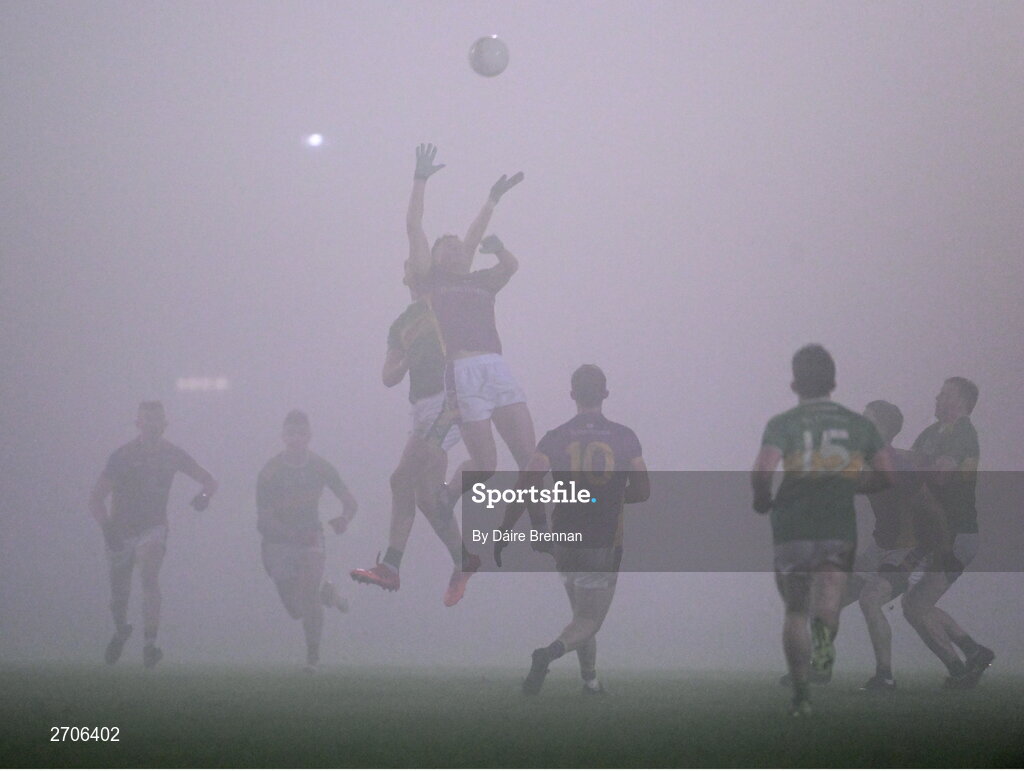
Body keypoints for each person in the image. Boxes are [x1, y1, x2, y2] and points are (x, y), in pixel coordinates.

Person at [350, 144, 486, 606]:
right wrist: (403, 362)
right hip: (421, 405)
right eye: (410, 262)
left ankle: (391, 565)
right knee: (426, 496)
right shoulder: (402, 323)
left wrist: (420, 179)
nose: (413, 260)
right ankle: (464, 556)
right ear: (403, 275)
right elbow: (388, 376)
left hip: (450, 400)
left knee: (401, 479)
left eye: (419, 257)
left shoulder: (438, 292)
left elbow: (416, 227)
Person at [751, 345, 893, 716]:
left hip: (792, 527)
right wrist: (848, 484)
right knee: (829, 602)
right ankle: (823, 648)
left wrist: (761, 499)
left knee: (796, 609)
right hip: (837, 526)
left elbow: (763, 470)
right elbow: (886, 475)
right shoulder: (858, 425)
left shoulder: (783, 423)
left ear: (795, 382)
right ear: (833, 381)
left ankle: (801, 695)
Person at [402, 145, 535, 527]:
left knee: (527, 456)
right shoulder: (431, 281)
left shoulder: (479, 280)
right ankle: (446, 495)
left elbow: (475, 240)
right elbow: (414, 228)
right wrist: (420, 180)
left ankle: (543, 523)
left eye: (461, 249)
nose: (458, 250)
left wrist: (493, 200)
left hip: (495, 364)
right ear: (436, 258)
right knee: (487, 465)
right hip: (460, 370)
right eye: (448, 248)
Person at [497, 365, 649, 696]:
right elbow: (642, 491)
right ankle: (547, 654)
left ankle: (589, 681)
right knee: (589, 621)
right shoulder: (625, 437)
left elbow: (526, 483)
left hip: (564, 538)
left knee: (580, 615)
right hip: (602, 541)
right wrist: (609, 496)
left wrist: (506, 530)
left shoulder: (555, 437)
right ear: (605, 394)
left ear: (572, 395)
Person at [89, 401, 218, 668]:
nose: (152, 425)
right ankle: (121, 630)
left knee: (149, 575)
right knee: (119, 596)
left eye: (157, 420)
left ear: (165, 424)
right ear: (138, 424)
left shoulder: (173, 454)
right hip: (120, 530)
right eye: (147, 420)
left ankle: (150, 644)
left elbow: (209, 480)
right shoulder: (122, 456)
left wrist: (204, 497)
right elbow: (96, 498)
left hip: (153, 527)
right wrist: (107, 529)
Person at [901, 377, 994, 688]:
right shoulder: (929, 433)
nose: (937, 397)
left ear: (961, 402)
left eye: (945, 394)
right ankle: (971, 655)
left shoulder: (964, 435)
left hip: (956, 534)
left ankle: (963, 665)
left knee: (916, 605)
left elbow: (938, 477)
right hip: (938, 534)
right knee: (914, 605)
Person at [258, 410, 357, 672]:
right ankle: (329, 591)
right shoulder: (270, 471)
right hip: (278, 543)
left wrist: (345, 518)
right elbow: (263, 520)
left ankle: (313, 659)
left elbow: (350, 501)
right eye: (291, 433)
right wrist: (287, 534)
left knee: (308, 594)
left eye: (301, 433)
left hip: (311, 538)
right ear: (283, 436)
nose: (296, 439)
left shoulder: (321, 467)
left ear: (309, 436)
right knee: (295, 609)